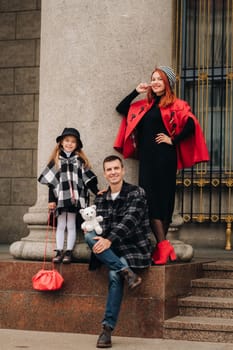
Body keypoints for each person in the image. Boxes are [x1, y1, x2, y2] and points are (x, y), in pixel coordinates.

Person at [114, 66, 209, 265]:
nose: (155, 82)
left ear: (168, 84)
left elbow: (191, 125)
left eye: (160, 79)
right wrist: (136, 91)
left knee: (164, 202)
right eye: (153, 78)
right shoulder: (144, 105)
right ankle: (163, 246)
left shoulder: (176, 104)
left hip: (165, 157)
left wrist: (173, 140)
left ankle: (162, 248)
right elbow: (121, 108)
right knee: (149, 200)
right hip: (147, 159)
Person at [84, 155, 152, 348]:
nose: (113, 172)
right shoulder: (101, 198)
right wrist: (91, 228)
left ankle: (107, 329)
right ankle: (127, 272)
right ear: (105, 174)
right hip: (111, 248)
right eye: (109, 170)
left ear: (123, 170)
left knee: (114, 276)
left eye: (116, 168)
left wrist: (108, 240)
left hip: (132, 247)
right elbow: (100, 225)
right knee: (89, 237)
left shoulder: (136, 193)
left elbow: (129, 222)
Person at [38, 127, 99, 264]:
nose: (69, 144)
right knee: (61, 224)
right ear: (61, 142)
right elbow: (51, 183)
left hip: (75, 198)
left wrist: (97, 191)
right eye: (67, 140)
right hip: (60, 198)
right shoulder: (56, 161)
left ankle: (69, 252)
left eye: (73, 141)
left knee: (71, 224)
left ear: (77, 144)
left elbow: (87, 180)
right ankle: (59, 251)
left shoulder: (79, 161)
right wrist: (51, 200)